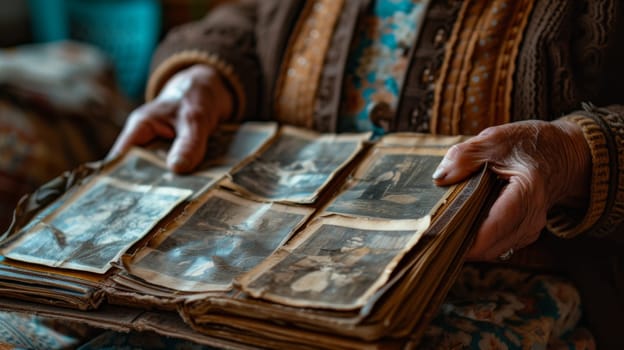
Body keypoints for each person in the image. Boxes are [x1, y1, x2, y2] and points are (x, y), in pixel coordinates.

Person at [4, 0, 622, 348]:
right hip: (246, 273)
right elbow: (245, 21)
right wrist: (202, 78)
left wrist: (572, 154)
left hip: (496, 292)